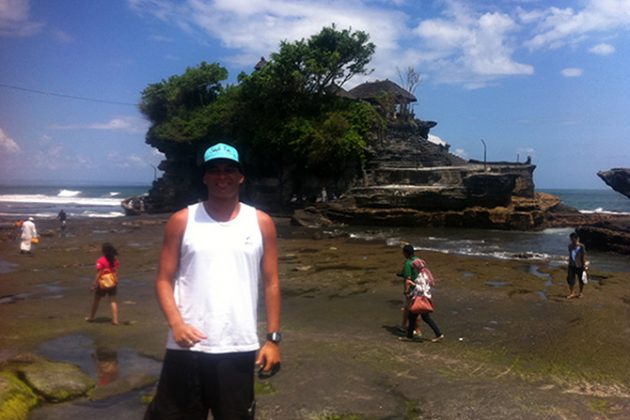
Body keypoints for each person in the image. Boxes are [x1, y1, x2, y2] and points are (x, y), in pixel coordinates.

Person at [145, 142, 281, 420]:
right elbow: (163, 280)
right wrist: (176, 324)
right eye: (214, 170)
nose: (222, 177)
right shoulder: (182, 220)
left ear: (241, 176)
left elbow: (271, 283)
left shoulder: (261, 222)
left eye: (229, 169)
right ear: (204, 177)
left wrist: (273, 340)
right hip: (186, 346)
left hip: (238, 345)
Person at [400, 245, 444, 343]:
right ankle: (438, 334)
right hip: (426, 297)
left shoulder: (420, 277)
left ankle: (410, 336)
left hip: (420, 298)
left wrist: (411, 284)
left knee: (413, 316)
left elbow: (420, 288)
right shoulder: (426, 274)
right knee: (424, 317)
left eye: (413, 268)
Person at [86, 242, 120, 325]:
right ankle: (115, 320)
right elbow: (116, 272)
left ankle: (91, 317)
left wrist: (94, 284)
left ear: (103, 251)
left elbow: (99, 273)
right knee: (113, 301)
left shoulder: (101, 260)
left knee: (96, 300)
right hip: (112, 283)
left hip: (102, 284)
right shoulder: (115, 260)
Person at [567, 232, 587, 299]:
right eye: (571, 239)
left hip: (580, 265)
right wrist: (569, 263)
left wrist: (584, 265)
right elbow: (570, 255)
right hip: (571, 265)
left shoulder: (581, 246)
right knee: (570, 279)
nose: (572, 240)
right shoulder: (569, 246)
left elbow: (583, 256)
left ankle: (580, 293)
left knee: (581, 280)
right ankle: (571, 293)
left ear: (577, 239)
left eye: (573, 239)